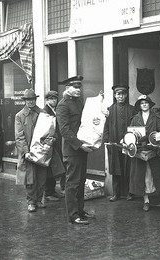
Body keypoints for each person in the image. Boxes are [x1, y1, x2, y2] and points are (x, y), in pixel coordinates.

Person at [56, 76, 95, 225]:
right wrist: (79, 145)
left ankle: (80, 210)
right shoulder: (63, 105)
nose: (78, 89)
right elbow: (64, 130)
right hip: (72, 150)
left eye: (79, 87)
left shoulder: (78, 102)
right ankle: (73, 216)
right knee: (72, 183)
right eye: (75, 87)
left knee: (81, 181)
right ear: (67, 89)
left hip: (82, 148)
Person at [129, 95, 160, 212]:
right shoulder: (135, 118)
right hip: (141, 150)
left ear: (149, 105)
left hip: (154, 149)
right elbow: (131, 134)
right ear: (139, 106)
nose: (144, 105)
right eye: (142, 103)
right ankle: (146, 201)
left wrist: (156, 139)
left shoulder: (156, 117)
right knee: (143, 176)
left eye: (146, 103)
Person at [15, 88, 47, 212]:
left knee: (41, 176)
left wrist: (48, 142)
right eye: (28, 100)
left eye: (33, 99)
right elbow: (19, 136)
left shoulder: (43, 113)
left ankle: (39, 199)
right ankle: (31, 201)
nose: (31, 102)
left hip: (41, 150)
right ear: (25, 101)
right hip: (28, 151)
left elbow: (49, 130)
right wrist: (25, 151)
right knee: (30, 177)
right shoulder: (19, 116)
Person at [103, 84, 136, 202]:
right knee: (116, 168)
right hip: (114, 143)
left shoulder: (131, 109)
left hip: (127, 144)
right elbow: (106, 126)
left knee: (128, 168)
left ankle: (128, 192)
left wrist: (132, 140)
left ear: (126, 95)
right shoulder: (110, 110)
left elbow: (135, 127)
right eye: (118, 94)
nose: (120, 96)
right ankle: (116, 193)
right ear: (115, 95)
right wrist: (106, 139)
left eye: (122, 94)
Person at [43, 90, 66, 202]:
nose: (54, 101)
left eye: (55, 99)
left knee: (54, 167)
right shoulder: (45, 112)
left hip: (56, 142)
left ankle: (52, 191)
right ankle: (48, 192)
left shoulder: (55, 110)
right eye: (51, 99)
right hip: (50, 142)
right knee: (49, 168)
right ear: (47, 100)